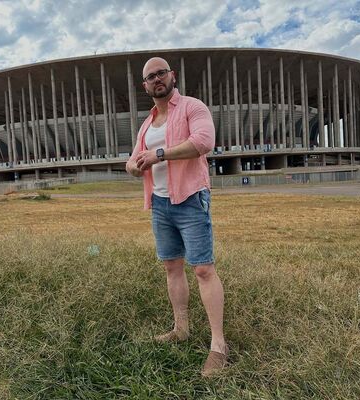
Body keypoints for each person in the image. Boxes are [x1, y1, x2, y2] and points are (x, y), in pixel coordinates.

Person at [126, 57, 228, 377]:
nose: (156, 79)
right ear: (145, 86)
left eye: (161, 73)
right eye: (150, 77)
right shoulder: (147, 123)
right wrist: (134, 166)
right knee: (172, 267)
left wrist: (158, 155)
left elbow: (203, 142)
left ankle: (218, 346)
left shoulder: (192, 107)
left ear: (172, 76)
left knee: (203, 269)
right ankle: (180, 328)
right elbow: (132, 160)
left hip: (190, 199)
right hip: (160, 204)